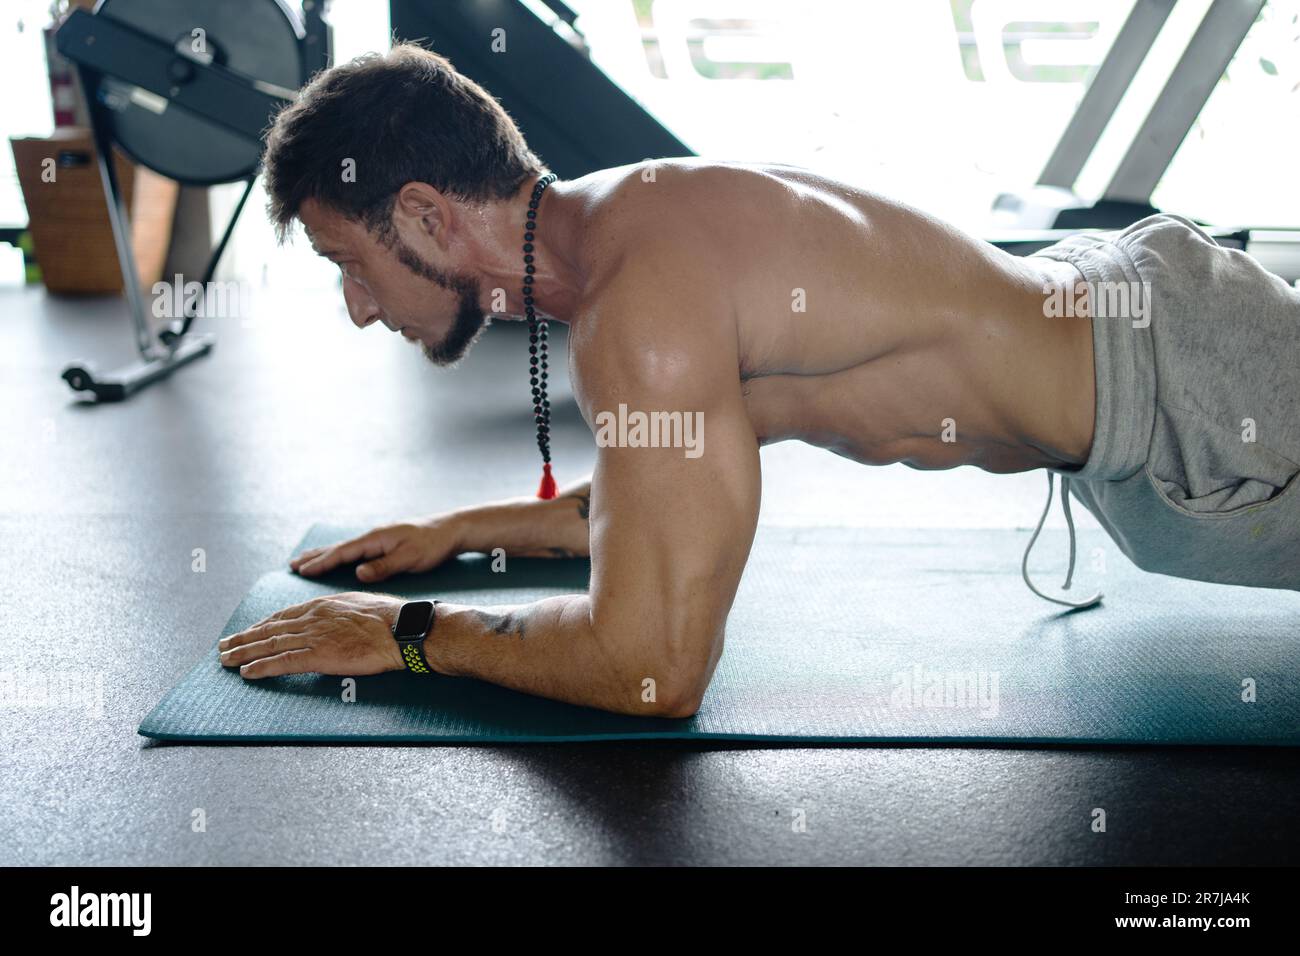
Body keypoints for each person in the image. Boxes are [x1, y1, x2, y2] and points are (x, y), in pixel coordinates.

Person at [217, 44, 1300, 717]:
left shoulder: (639, 303)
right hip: (1146, 344)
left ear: (420, 215)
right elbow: (662, 487)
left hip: (1189, 385)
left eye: (345, 265)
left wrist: (406, 634)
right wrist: (460, 529)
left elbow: (652, 667)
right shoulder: (626, 222)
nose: (358, 306)